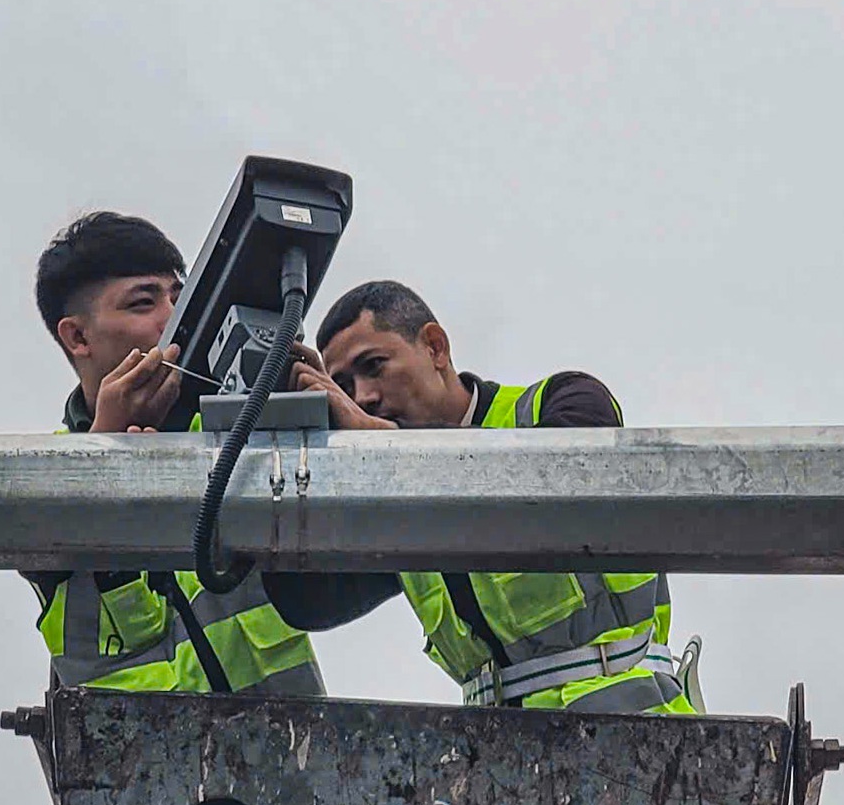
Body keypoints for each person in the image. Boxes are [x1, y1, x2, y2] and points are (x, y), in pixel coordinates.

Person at [288, 279, 701, 715]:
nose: (363, 397)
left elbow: (562, 484)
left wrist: (388, 440)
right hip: (500, 749)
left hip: (634, 730)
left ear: (435, 347)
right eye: (344, 386)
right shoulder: (392, 500)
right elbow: (308, 601)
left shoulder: (562, 401)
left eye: (374, 366)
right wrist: (286, 438)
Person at [23, 212, 384, 697]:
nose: (175, 316)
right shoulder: (42, 474)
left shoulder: (238, 437)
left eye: (180, 296)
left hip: (292, 744)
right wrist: (109, 447)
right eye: (144, 302)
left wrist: (319, 426)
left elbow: (356, 572)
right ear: (78, 337)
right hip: (132, 746)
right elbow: (33, 544)